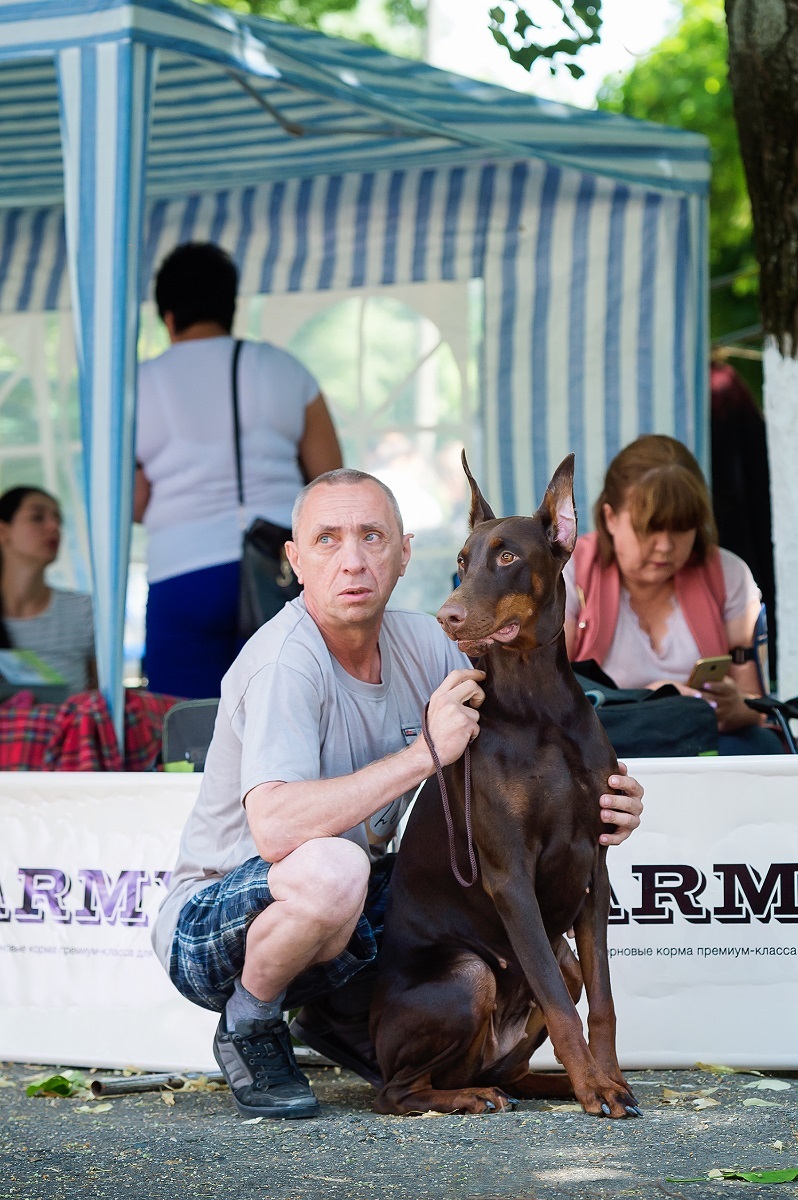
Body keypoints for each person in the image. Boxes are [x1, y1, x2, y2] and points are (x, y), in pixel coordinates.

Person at [151, 467, 645, 1121]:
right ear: (295, 561)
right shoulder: (283, 662)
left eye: (372, 537)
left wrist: (604, 799)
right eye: (327, 540)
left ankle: (345, 1027)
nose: (353, 560)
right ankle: (251, 1022)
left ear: (405, 553)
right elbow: (275, 831)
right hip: (220, 922)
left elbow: (531, 713)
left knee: (453, 906)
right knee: (334, 868)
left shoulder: (425, 644)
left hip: (350, 917)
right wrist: (423, 754)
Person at [134, 242, 343, 699]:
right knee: (290, 712)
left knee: (185, 727)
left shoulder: (137, 385)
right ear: (231, 307)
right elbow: (330, 483)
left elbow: (132, 503)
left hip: (182, 572)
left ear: (168, 316)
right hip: (279, 566)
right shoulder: (286, 370)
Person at [564, 434, 782, 755]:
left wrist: (737, 708)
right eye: (649, 528)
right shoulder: (570, 572)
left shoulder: (728, 574)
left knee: (764, 746)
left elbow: (758, 705)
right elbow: (548, 698)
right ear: (610, 518)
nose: (665, 546)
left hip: (699, 745)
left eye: (681, 528)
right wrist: (648, 702)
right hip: (606, 744)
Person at [0, 486, 95, 696]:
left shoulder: (83, 610)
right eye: (37, 517)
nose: (54, 527)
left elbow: (99, 696)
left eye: (58, 520)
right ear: (3, 532)